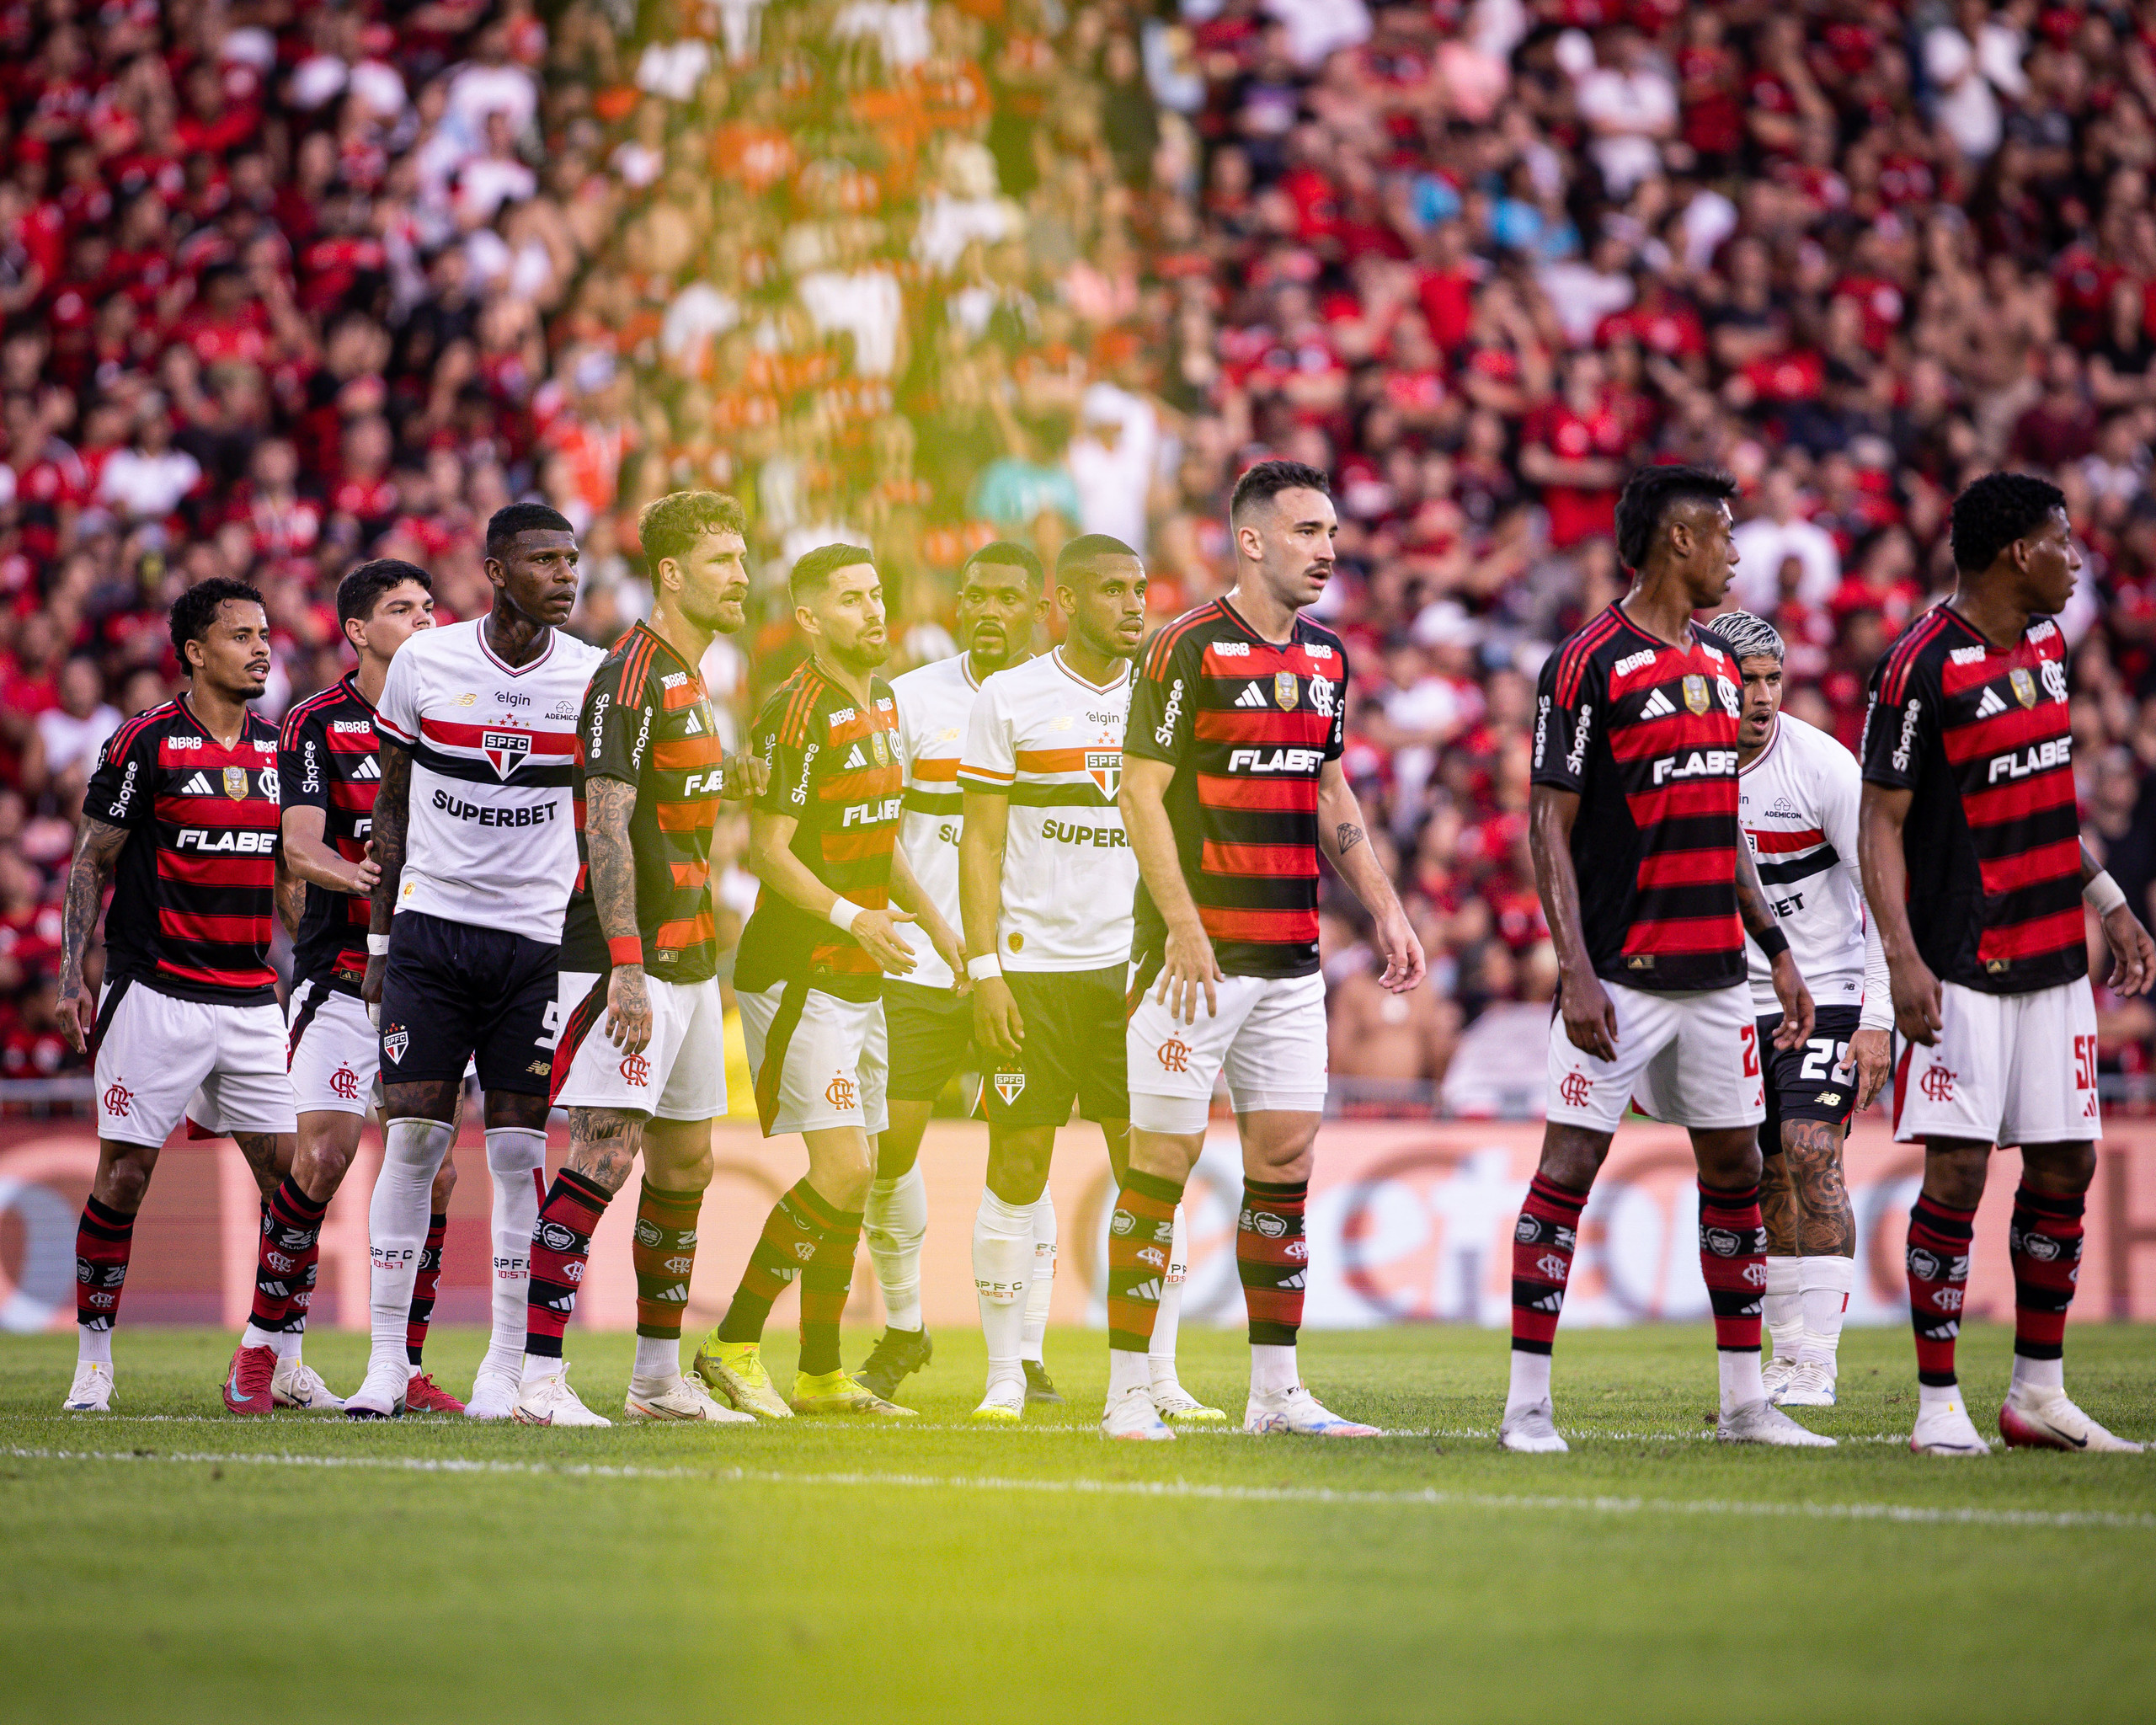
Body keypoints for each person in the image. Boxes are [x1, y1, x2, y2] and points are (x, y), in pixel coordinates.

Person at [1506, 464, 1830, 1455]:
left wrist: (1775, 947)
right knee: (1568, 1167)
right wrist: (1574, 968)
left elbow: (1722, 821)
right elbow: (1546, 823)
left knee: (1736, 1167)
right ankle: (1526, 1406)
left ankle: (1744, 1404)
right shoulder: (1586, 661)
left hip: (1718, 974)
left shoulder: (1721, 666)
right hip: (1618, 973)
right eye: (1723, 533)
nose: (1736, 551)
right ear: (1677, 539)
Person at [1109, 459, 1422, 1442]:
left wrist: (1385, 906)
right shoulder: (1185, 648)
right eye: (1305, 531)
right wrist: (1183, 925)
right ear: (1250, 541)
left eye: (1330, 531)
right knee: (1159, 1168)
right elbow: (1137, 791)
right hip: (1190, 964)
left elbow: (1328, 789)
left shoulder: (1326, 658)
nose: (1326, 549)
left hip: (1289, 959)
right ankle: (1126, 1392)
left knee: (1284, 1165)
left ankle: (1275, 1394)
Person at [1859, 472, 2156, 1456]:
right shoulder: (1917, 664)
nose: (2077, 559)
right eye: (2062, 541)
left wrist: (2106, 899)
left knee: (2067, 1159)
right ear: (2016, 552)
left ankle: (2037, 1392)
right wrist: (1900, 956)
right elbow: (1879, 821)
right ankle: (1936, 1400)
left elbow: (2042, 797)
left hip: (2053, 958)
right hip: (1960, 959)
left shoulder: (2048, 646)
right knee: (1956, 1169)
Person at [344, 504, 606, 1420]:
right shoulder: (427, 661)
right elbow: (391, 808)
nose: (566, 576)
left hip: (537, 945)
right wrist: (379, 943)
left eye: (571, 560)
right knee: (413, 1140)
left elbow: (609, 821)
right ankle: (385, 1363)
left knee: (518, 1151)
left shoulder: (592, 675)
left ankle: (504, 1366)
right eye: (545, 561)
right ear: (496, 572)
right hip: (433, 933)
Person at [693, 544, 963, 1418]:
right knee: (844, 1168)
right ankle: (732, 1343)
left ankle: (819, 1371)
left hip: (860, 968)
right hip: (799, 970)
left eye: (877, 594)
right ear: (810, 619)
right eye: (851, 600)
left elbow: (881, 837)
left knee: (861, 1169)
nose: (873, 611)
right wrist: (855, 918)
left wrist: (939, 927)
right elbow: (768, 853)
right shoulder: (796, 710)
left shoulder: (881, 701)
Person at [514, 492, 766, 1428]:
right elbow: (606, 825)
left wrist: (735, 780)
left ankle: (656, 1382)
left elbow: (673, 802)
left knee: (686, 1164)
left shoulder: (691, 675)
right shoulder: (627, 675)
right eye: (723, 560)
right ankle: (539, 1379)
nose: (741, 576)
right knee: (604, 1153)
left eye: (743, 558)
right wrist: (625, 965)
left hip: (693, 957)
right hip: (630, 959)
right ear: (672, 572)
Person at [960, 533, 1221, 1423]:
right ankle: (1004, 1376)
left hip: (1134, 975)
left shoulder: (1164, 695)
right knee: (1017, 1166)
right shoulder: (1009, 696)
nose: (1133, 603)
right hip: (1032, 974)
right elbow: (980, 844)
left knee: (1149, 1170)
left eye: (1139, 587)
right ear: (1066, 602)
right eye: (1112, 589)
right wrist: (985, 969)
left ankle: (1161, 1376)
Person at [58, 578, 296, 1415]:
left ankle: (283, 1359)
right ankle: (93, 1363)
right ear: (195, 652)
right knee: (124, 1175)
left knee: (292, 1184)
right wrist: (71, 974)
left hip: (252, 998)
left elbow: (289, 875)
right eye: (241, 636)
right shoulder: (146, 741)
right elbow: (91, 860)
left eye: (264, 635)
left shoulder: (279, 750)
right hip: (156, 993)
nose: (262, 649)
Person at [251, 558, 467, 1414]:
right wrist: (368, 877)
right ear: (357, 630)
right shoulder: (316, 721)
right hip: (341, 974)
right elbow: (299, 846)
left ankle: (403, 1367)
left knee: (437, 1178)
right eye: (402, 608)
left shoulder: (456, 715)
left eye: (429, 607)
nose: (423, 620)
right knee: (323, 1157)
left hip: (433, 976)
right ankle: (261, 1347)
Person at [869, 540, 1048, 1407]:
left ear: (1038, 609)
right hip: (922, 966)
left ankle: (1027, 1352)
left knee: (1025, 1151)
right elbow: (878, 829)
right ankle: (906, 1326)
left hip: (1028, 969)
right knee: (888, 1150)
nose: (987, 611)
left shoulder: (1065, 701)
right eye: (975, 595)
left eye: (1006, 598)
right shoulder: (910, 699)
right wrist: (939, 934)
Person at [1718, 608, 1893, 1408]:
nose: (1762, 696)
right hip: (1731, 1001)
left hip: (1828, 993)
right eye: (1747, 680)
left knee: (1811, 1147)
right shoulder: (1685, 768)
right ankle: (1785, 1357)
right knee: (1761, 1175)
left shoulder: (1823, 766)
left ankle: (1818, 1364)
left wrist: (1877, 1019)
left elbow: (1882, 897)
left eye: (1773, 679)